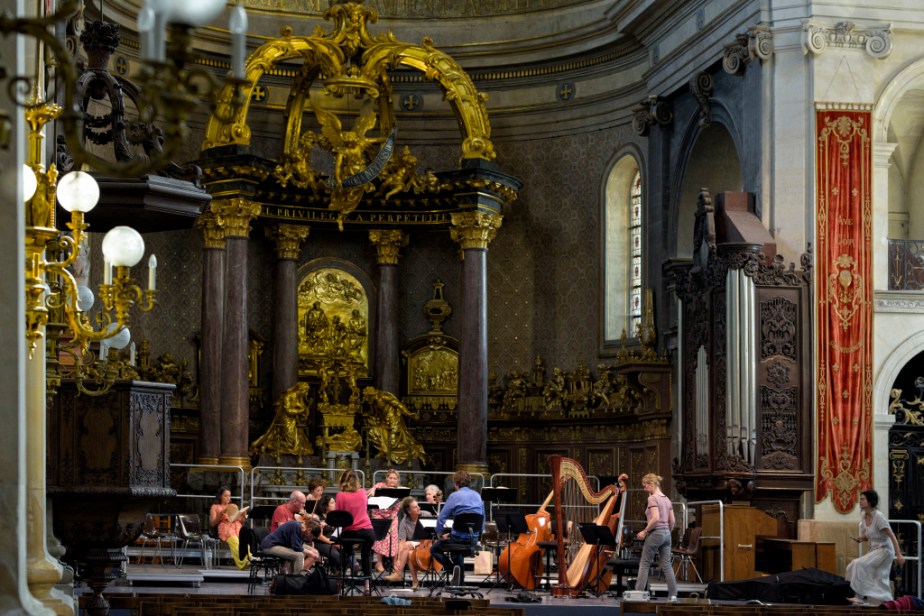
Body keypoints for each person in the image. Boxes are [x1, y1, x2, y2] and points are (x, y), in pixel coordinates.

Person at [846, 490, 905, 605]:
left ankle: (859, 596)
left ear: (869, 502)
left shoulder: (879, 516)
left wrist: (899, 554)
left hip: (885, 550)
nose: (860, 501)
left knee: (859, 564)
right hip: (874, 549)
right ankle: (880, 600)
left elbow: (891, 536)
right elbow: (870, 535)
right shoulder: (864, 517)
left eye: (862, 499)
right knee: (853, 566)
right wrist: (861, 539)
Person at [430, 470, 484, 584]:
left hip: (458, 537)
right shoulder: (477, 496)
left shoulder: (454, 496)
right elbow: (482, 518)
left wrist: (440, 535)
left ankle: (452, 569)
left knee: (434, 549)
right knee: (457, 552)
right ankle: (459, 580)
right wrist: (477, 537)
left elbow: (441, 518)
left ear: (456, 484)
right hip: (472, 539)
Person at [634, 473, 678, 602]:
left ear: (652, 484)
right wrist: (666, 532)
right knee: (666, 565)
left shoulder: (653, 498)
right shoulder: (667, 499)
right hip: (667, 534)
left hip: (656, 533)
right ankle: (673, 595)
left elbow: (656, 518)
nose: (644, 488)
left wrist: (645, 531)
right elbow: (673, 521)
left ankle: (638, 594)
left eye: (645, 485)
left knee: (645, 563)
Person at [335, 468, 376, 592]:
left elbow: (339, 515)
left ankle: (340, 579)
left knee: (346, 551)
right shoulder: (363, 492)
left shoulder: (340, 495)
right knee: (366, 554)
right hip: (367, 532)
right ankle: (367, 585)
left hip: (349, 531)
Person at [383, 496, 423, 588]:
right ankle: (415, 582)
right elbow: (401, 542)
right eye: (415, 507)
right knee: (409, 553)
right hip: (412, 547)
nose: (419, 508)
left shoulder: (425, 515)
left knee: (407, 545)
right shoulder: (404, 522)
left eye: (418, 506)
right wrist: (397, 559)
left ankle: (398, 573)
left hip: (425, 544)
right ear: (409, 511)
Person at [369, 469, 402, 573]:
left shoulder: (398, 490)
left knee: (394, 535)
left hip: (392, 515)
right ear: (387, 478)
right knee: (382, 537)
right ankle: (379, 563)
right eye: (390, 478)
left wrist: (391, 519)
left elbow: (397, 508)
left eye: (394, 478)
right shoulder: (379, 486)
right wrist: (373, 492)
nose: (392, 480)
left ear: (397, 480)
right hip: (379, 514)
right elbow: (368, 495)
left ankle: (395, 562)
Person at [217, 503, 250, 570]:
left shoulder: (237, 519)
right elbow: (215, 521)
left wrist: (243, 515)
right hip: (227, 529)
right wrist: (225, 515)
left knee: (245, 541)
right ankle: (243, 563)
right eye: (226, 496)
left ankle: (251, 558)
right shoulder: (221, 511)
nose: (227, 498)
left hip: (237, 529)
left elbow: (241, 522)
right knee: (235, 541)